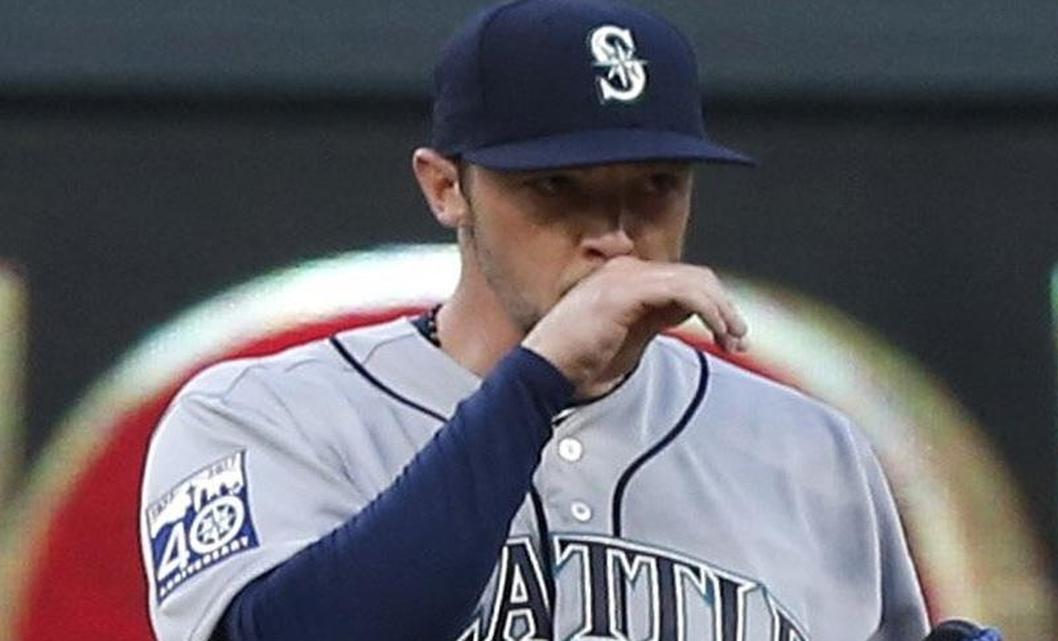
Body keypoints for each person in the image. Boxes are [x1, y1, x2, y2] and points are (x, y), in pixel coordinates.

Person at [139, 1, 935, 640]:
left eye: (657, 184)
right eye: (557, 186)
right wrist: (536, 382)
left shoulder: (811, 449)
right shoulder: (263, 416)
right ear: (446, 187)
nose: (617, 234)